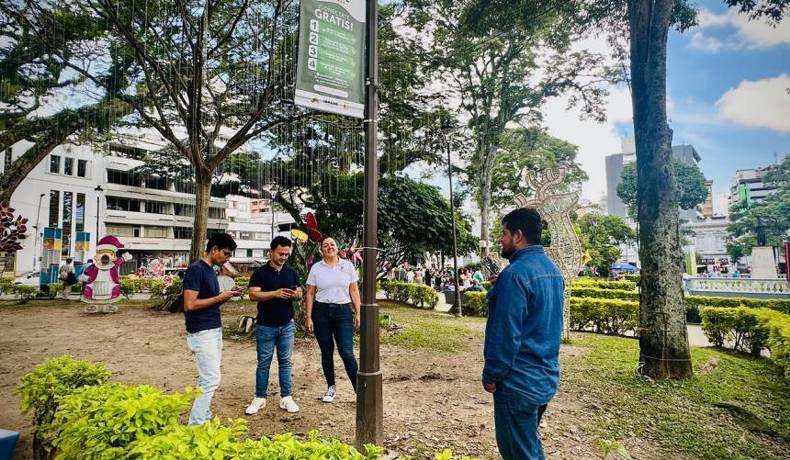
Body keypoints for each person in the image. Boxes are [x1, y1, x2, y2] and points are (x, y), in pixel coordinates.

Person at [483, 208, 564, 460]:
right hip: (544, 378)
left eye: (504, 234)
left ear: (517, 236)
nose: (501, 240)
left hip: (518, 383)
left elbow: (505, 334)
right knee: (527, 445)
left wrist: (492, 375)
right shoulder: (552, 270)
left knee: (520, 454)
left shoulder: (515, 275)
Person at [182, 233, 241, 426]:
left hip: (213, 329)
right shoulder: (196, 270)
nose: (227, 258)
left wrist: (226, 296)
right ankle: (196, 424)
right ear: (214, 249)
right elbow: (189, 304)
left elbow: (209, 302)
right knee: (211, 380)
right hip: (201, 331)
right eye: (225, 253)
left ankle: (203, 417)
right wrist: (219, 298)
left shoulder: (211, 271)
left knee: (207, 378)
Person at [245, 236, 302, 415]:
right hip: (265, 325)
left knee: (285, 363)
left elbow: (299, 292)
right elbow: (253, 295)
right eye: (280, 254)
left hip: (287, 325)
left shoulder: (291, 272)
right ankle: (260, 397)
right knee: (263, 363)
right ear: (271, 251)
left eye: (286, 254)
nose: (283, 257)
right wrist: (275, 293)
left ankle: (286, 397)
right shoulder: (260, 273)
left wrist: (296, 294)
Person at [304, 237, 361, 402]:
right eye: (325, 245)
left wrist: (358, 312)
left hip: (343, 312)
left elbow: (354, 290)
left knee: (346, 352)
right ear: (321, 250)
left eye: (332, 244)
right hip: (321, 312)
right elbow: (310, 293)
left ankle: (360, 391)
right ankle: (331, 387)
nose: (329, 247)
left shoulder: (348, 266)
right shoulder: (316, 268)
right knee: (326, 351)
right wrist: (308, 317)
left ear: (337, 248)